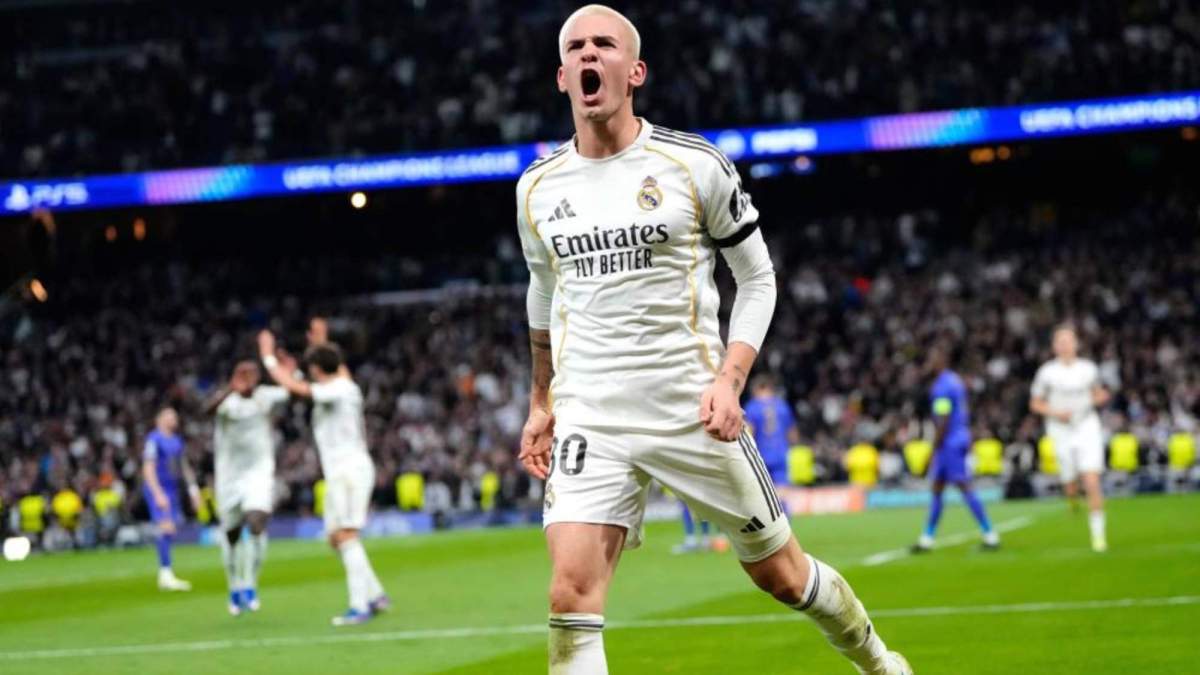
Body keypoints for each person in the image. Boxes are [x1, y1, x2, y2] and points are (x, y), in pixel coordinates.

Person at [514, 6, 910, 673]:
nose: (590, 55)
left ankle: (878, 660)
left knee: (784, 575)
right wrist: (541, 401)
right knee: (570, 594)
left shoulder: (693, 166)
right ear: (561, 76)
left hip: (690, 407)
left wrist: (730, 381)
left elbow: (757, 278)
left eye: (604, 45)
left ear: (634, 71)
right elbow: (544, 292)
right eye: (576, 47)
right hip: (591, 415)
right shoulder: (537, 188)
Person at [257, 330, 389, 625]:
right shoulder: (344, 382)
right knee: (335, 538)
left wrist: (268, 356)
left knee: (347, 535)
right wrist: (318, 342)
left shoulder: (338, 389)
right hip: (340, 471)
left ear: (317, 369)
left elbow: (297, 388)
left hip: (349, 470)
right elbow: (329, 366)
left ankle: (360, 606)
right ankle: (376, 593)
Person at [204, 360, 288, 616]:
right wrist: (229, 389)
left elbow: (290, 390)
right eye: (242, 375)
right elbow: (204, 411)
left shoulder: (265, 396)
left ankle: (250, 583)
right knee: (231, 535)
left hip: (259, 471)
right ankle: (234, 585)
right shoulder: (227, 403)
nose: (247, 379)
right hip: (229, 476)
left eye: (251, 375)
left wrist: (285, 367)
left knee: (256, 522)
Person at [1030, 323, 1111, 552]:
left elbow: (1099, 394)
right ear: (1054, 346)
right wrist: (1056, 413)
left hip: (1086, 425)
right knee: (1071, 483)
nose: (1065, 345)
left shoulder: (1088, 369)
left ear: (1076, 344)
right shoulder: (1047, 372)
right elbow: (1035, 403)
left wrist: (1099, 398)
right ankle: (1072, 498)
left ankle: (1098, 536)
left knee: (1092, 480)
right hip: (1059, 429)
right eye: (1060, 341)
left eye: (1068, 341)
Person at [911, 345, 999, 553]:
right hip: (957, 438)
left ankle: (990, 535)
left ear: (941, 360)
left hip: (949, 442)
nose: (928, 364)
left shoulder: (942, 386)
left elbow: (943, 421)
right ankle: (927, 538)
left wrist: (932, 451)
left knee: (963, 485)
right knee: (937, 488)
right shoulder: (955, 381)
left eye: (931, 360)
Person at [142, 407, 200, 591]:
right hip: (159, 488)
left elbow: (184, 467)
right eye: (170, 415)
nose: (174, 418)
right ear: (159, 419)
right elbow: (148, 467)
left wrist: (193, 490)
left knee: (170, 530)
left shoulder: (176, 441)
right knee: (165, 527)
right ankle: (165, 574)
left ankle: (166, 572)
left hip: (172, 489)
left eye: (175, 415)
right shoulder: (154, 440)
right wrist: (157, 492)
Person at [744, 375, 800, 507]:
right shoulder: (782, 406)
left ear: (759, 388)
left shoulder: (752, 406)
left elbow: (749, 432)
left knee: (761, 493)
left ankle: (768, 524)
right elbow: (793, 434)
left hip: (760, 455)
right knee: (782, 492)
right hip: (780, 453)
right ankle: (785, 523)